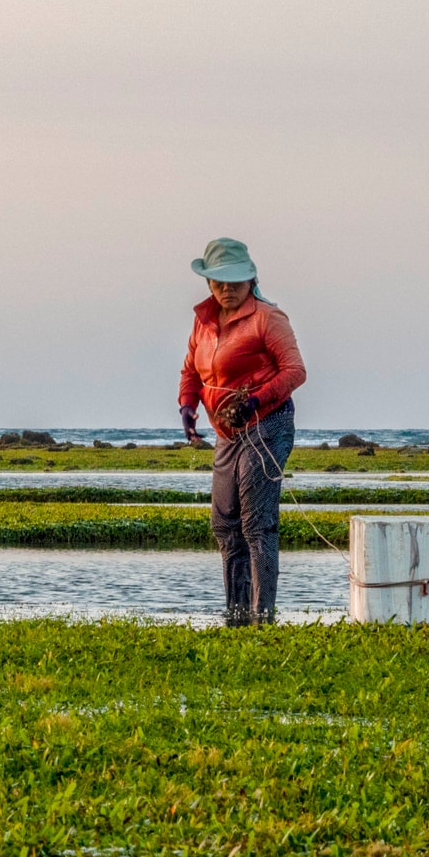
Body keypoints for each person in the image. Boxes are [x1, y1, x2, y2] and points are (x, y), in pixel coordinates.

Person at [178, 238, 307, 625]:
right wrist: (187, 405)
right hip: (227, 434)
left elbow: (295, 371)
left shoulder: (269, 318)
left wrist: (255, 401)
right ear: (209, 284)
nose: (227, 289)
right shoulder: (203, 323)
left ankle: (262, 615)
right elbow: (190, 371)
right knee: (225, 525)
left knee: (256, 524)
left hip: (268, 426)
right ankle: (236, 615)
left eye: (235, 281)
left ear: (251, 279)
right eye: (219, 282)